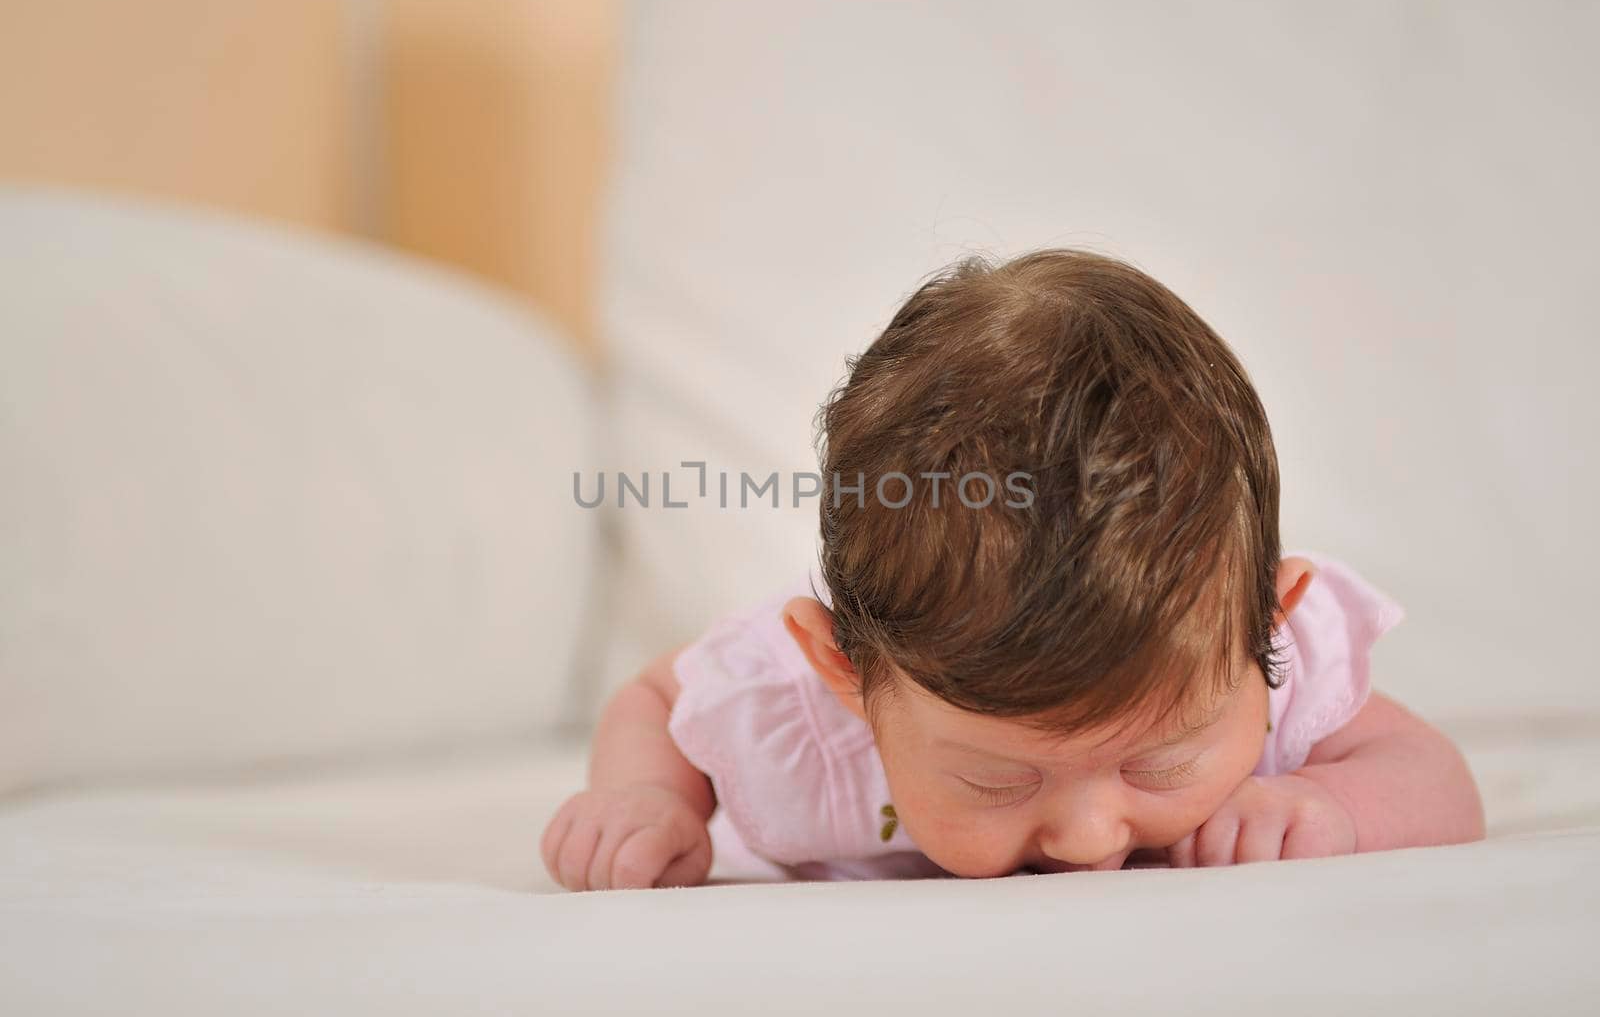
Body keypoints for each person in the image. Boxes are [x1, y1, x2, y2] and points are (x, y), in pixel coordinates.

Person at [541, 249, 1485, 890]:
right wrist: (649, 797)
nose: (1090, 837)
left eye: (1159, 760)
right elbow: (657, 697)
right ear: (850, 677)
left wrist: (1333, 809)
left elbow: (1434, 774)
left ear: (1266, 629)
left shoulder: (1261, 661)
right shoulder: (796, 709)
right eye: (998, 781)